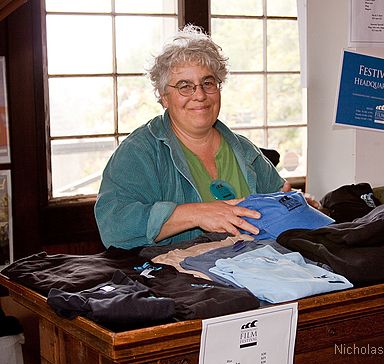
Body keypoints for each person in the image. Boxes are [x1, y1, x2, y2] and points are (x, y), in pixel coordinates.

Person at [94, 24, 296, 250]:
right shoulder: (139, 151)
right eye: (184, 86)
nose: (199, 95)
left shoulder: (244, 150)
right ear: (163, 97)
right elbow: (114, 228)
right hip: (175, 280)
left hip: (255, 274)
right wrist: (197, 214)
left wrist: (293, 206)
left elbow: (281, 202)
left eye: (208, 83)